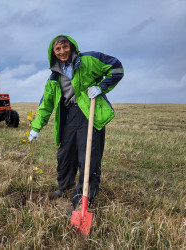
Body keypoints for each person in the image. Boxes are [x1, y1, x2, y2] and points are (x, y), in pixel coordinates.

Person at [29, 35, 124, 213]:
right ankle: (63, 186)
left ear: (72, 47)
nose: (62, 51)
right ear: (53, 53)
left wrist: (101, 87)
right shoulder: (54, 77)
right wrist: (36, 128)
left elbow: (116, 68)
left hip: (90, 112)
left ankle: (83, 198)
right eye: (58, 49)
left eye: (65, 47)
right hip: (70, 115)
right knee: (65, 153)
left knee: (88, 157)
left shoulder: (88, 60)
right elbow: (46, 103)